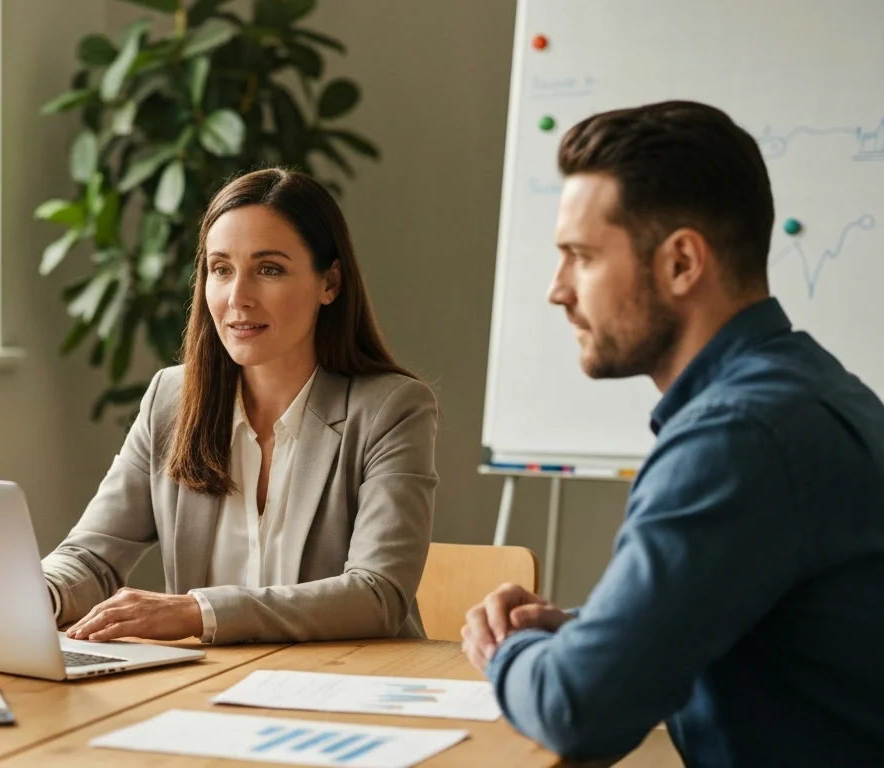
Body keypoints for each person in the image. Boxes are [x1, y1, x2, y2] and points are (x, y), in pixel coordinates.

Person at [461, 101, 884, 765]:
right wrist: (581, 630)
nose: (557, 290)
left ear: (683, 262)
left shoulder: (737, 436)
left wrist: (505, 651)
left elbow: (580, 708)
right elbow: (755, 613)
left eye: (581, 257)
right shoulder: (810, 386)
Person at [43, 168, 438, 646]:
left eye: (269, 269)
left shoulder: (391, 409)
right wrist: (35, 595)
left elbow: (377, 594)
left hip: (348, 689)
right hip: (206, 691)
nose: (238, 298)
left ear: (329, 282)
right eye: (221, 269)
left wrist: (198, 612)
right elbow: (92, 557)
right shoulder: (170, 400)